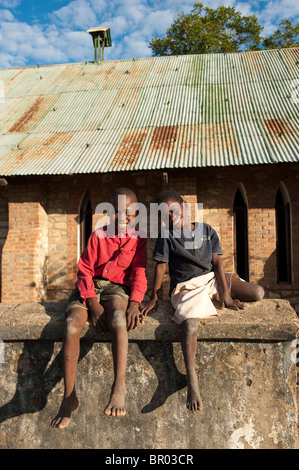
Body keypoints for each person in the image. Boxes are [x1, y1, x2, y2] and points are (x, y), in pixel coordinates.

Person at [140, 190, 264, 412]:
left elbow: (216, 262)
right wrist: (153, 295)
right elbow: (160, 266)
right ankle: (192, 379)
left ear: (185, 206)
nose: (170, 216)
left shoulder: (206, 230)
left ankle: (220, 294)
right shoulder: (167, 235)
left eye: (173, 211)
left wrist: (225, 293)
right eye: (164, 214)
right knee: (189, 324)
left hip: (212, 280)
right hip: (187, 287)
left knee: (258, 293)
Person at [51, 188, 147, 429]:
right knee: (72, 324)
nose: (121, 216)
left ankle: (119, 385)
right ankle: (68, 397)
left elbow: (138, 272)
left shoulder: (139, 238)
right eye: (116, 211)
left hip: (116, 289)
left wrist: (135, 302)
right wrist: (92, 302)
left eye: (127, 212)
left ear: (134, 214)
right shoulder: (98, 236)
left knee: (117, 318)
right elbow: (84, 270)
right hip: (90, 287)